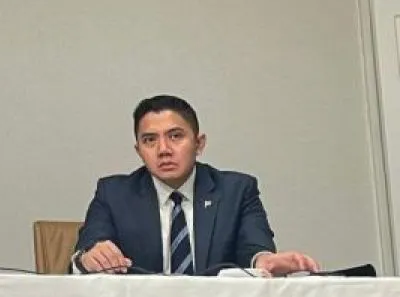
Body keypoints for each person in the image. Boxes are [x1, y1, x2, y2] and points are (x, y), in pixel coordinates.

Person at [73, 94, 319, 276]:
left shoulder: (236, 190)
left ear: (199, 144)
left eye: (175, 136)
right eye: (150, 140)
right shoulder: (113, 193)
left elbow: (254, 248)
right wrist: (88, 258)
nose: (163, 150)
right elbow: (83, 254)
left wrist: (263, 261)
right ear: (139, 150)